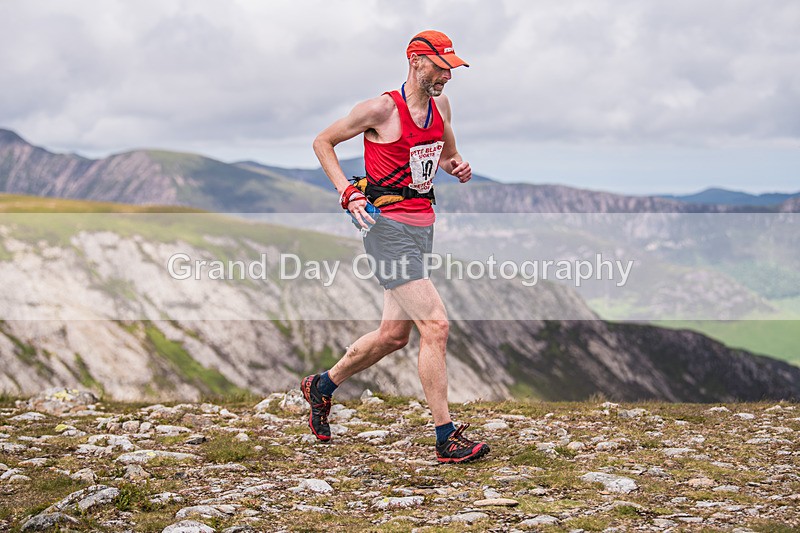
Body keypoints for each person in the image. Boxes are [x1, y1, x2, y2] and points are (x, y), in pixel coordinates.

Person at [301, 30, 489, 464]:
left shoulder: (441, 105)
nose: (447, 76)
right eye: (440, 67)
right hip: (385, 229)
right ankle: (446, 437)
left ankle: (321, 386)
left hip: (423, 225)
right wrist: (346, 190)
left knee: (392, 336)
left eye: (451, 69)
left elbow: (444, 154)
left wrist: (455, 165)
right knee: (436, 326)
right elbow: (322, 142)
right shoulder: (381, 108)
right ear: (415, 61)